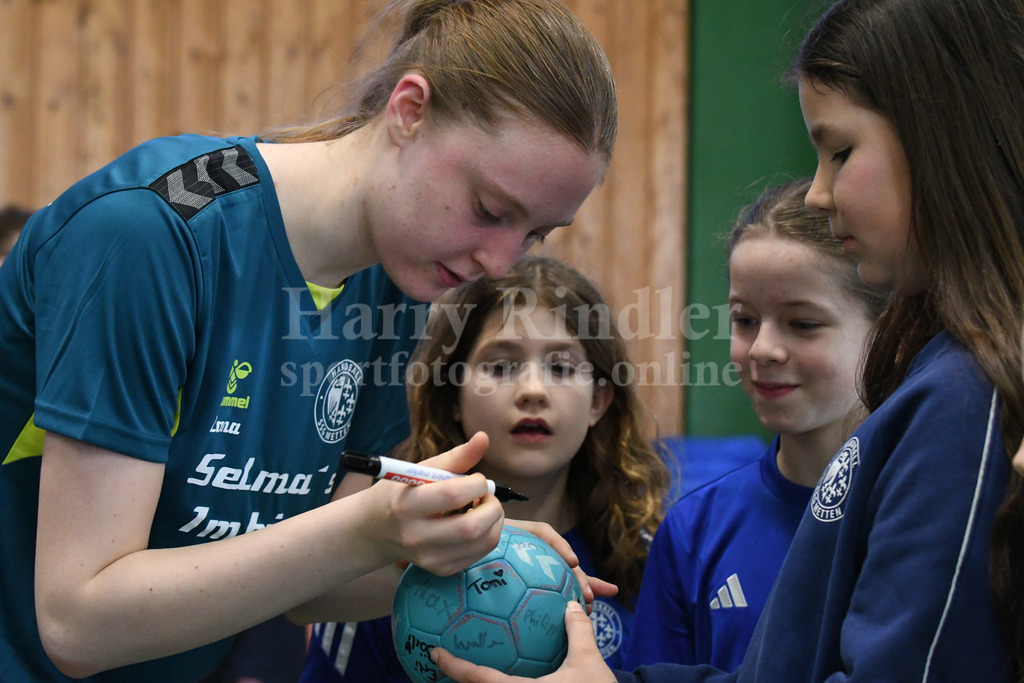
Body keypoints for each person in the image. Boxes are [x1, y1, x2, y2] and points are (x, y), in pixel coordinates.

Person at [0, 1, 618, 680]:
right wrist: (365, 530)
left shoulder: (397, 286)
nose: (500, 264)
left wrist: (460, 556)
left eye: (534, 235)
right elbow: (77, 621)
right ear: (409, 110)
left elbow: (310, 586)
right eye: (490, 210)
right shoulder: (150, 239)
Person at [431, 0, 1024, 680]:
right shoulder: (928, 387)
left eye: (841, 152)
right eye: (743, 318)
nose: (820, 194)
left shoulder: (964, 397)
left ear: (942, 138)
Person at [300, 255, 671, 681]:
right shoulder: (389, 552)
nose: (533, 391)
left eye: (561, 367)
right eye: (500, 366)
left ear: (599, 402)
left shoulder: (643, 557)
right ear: (452, 395)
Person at [623, 178, 885, 671]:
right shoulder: (694, 530)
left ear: (882, 330)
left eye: (802, 323)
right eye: (744, 320)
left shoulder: (915, 514)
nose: (762, 349)